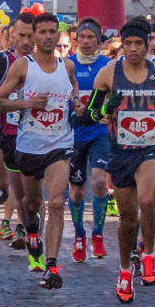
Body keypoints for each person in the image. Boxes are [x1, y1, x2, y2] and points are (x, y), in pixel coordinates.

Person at [80, 16, 155, 304]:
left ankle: (148, 255)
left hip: (151, 147)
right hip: (121, 150)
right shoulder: (108, 73)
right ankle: (124, 269)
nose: (132, 49)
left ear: (148, 45)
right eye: (128, 44)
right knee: (127, 219)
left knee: (148, 200)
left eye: (138, 44)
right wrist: (105, 110)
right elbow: (90, 114)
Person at [0, 13, 78, 289]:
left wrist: (76, 104)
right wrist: (28, 104)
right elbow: (0, 103)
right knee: (30, 205)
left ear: (58, 35)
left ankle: (52, 265)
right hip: (29, 146)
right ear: (35, 34)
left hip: (60, 145)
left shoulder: (67, 67)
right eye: (42, 32)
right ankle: (32, 231)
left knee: (56, 203)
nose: (48, 37)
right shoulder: (23, 66)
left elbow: (72, 93)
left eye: (52, 32)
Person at [0, 13, 35, 251]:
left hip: (35, 133)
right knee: (1, 183)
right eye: (21, 35)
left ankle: (24, 229)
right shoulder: (0, 63)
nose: (25, 40)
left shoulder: (46, 63)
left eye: (30, 35)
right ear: (11, 35)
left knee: (27, 187)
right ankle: (17, 218)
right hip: (4, 129)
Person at [68, 17, 112, 262]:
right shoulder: (67, 64)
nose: (85, 41)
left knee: (98, 182)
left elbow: (116, 96)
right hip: (74, 135)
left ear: (98, 40)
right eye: (82, 37)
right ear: (76, 39)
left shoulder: (107, 66)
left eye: (90, 37)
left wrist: (109, 114)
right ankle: (79, 234)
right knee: (76, 191)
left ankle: (97, 233)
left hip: (99, 133)